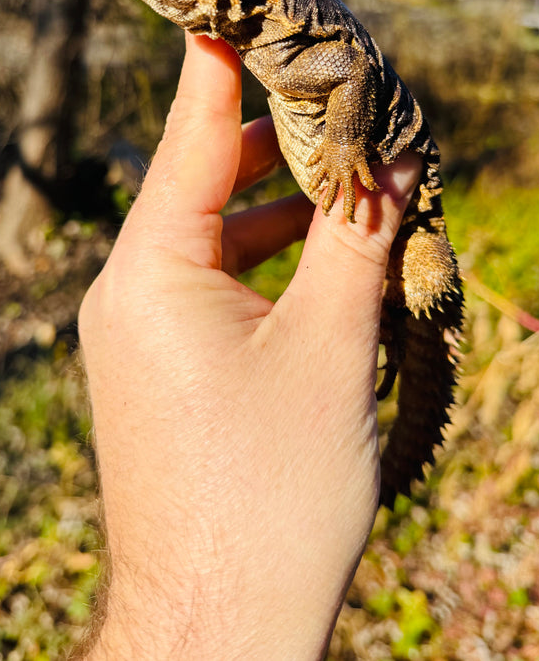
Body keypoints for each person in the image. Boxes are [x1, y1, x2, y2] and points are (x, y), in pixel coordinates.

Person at [78, 33, 421, 660]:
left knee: (416, 298)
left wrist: (346, 143)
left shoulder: (266, 13)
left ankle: (402, 332)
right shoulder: (251, 13)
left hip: (415, 234)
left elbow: (346, 67)